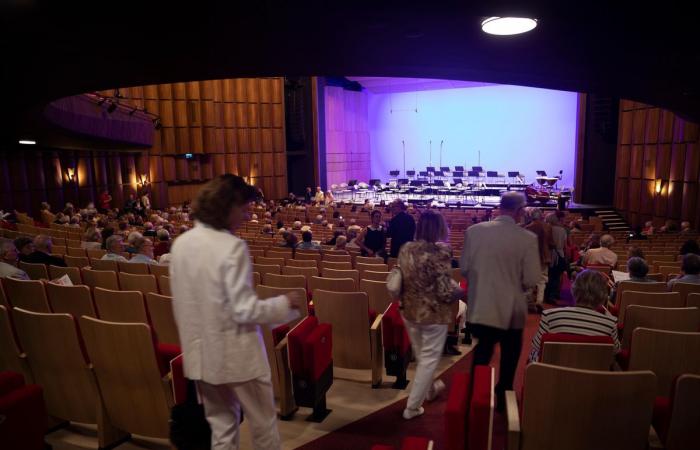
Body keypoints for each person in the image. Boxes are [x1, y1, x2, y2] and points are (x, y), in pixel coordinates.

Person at [170, 174, 302, 450]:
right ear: (226, 206)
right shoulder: (231, 247)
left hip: (201, 358)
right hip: (237, 357)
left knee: (221, 428)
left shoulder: (181, 244)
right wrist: (284, 305)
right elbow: (244, 310)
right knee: (264, 424)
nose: (247, 214)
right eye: (243, 208)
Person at [460, 192, 540, 410]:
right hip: (511, 310)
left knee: (483, 351)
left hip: (481, 307)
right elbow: (532, 279)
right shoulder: (527, 239)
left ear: (500, 208)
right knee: (510, 355)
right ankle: (504, 394)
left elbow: (465, 269)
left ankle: (474, 396)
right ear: (519, 211)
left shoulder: (474, 232)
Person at [389, 210, 462, 420]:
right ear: (440, 228)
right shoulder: (442, 251)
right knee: (428, 360)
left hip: (409, 310)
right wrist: (460, 291)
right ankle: (412, 408)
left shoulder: (406, 248)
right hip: (432, 313)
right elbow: (443, 289)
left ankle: (430, 389)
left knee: (423, 356)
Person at [528, 269, 620, 362]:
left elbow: (537, 346)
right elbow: (615, 352)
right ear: (603, 295)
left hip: (554, 374)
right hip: (592, 374)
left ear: (574, 290)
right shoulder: (610, 323)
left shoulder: (550, 316)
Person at [524, 208, 553, 313]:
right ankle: (539, 301)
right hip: (544, 257)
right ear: (541, 215)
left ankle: (530, 303)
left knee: (530, 280)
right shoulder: (548, 227)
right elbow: (551, 243)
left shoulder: (527, 227)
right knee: (542, 281)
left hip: (531, 257)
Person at [543, 212, 568, 303]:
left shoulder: (547, 229)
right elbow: (565, 246)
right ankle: (553, 295)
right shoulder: (562, 230)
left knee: (548, 275)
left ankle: (546, 294)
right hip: (560, 254)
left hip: (549, 254)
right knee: (556, 276)